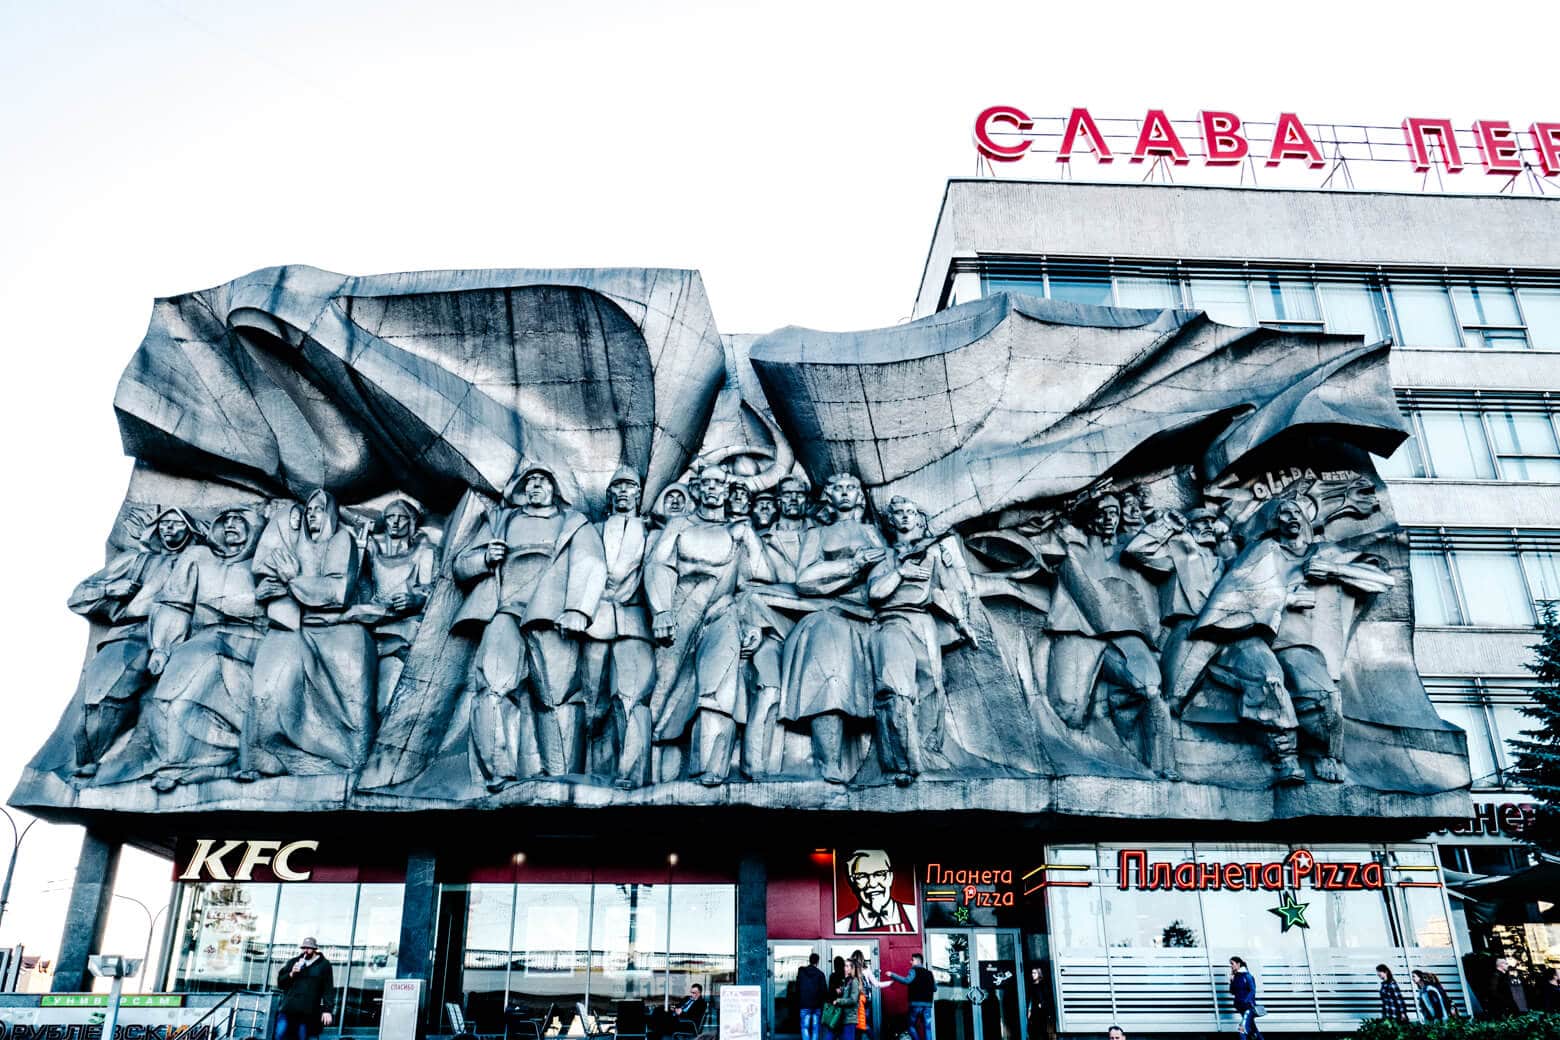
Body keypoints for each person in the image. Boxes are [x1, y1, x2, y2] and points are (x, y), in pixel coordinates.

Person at [451, 461, 607, 785]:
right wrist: (483, 558)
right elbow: (461, 566)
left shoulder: (574, 523)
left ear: (555, 487)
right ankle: (497, 774)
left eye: (543, 480)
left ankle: (563, 778)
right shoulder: (501, 520)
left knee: (558, 698)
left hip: (550, 616)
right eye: (530, 481)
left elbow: (591, 564)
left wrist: (578, 609)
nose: (536, 486)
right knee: (491, 685)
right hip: (504, 612)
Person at [835, 850, 919, 933]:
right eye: (862, 876)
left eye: (879, 874)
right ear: (853, 882)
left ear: (890, 877)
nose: (872, 884)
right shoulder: (842, 927)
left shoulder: (915, 915)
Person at [275, 937, 334, 1040]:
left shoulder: (324, 965)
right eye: (304, 948)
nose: (305, 950)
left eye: (309, 948)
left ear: (315, 949)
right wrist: (291, 974)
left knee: (301, 1037)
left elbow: (328, 989)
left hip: (307, 1011)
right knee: (280, 1035)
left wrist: (327, 1010)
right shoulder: (293, 962)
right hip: (288, 1008)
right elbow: (280, 983)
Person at [887, 953, 933, 1040]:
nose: (910, 961)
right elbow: (934, 988)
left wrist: (892, 975)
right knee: (927, 1027)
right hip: (928, 1005)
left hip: (916, 1003)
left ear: (917, 961)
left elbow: (907, 981)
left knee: (910, 1025)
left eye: (912, 960)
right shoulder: (929, 973)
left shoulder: (913, 970)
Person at [1228, 957, 1262, 1040]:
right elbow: (1232, 992)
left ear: (1238, 964)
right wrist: (1232, 981)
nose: (1231, 966)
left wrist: (1245, 1001)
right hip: (1241, 1007)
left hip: (1248, 1007)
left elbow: (1252, 990)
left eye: (1232, 964)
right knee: (1253, 1028)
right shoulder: (1236, 976)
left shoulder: (1247, 976)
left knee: (1242, 1028)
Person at [798, 952, 828, 1040]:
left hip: (804, 1005)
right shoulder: (820, 974)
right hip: (816, 1006)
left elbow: (797, 988)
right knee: (815, 1028)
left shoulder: (802, 973)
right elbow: (824, 991)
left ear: (809, 960)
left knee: (805, 1027)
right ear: (817, 962)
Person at [832, 961, 862, 1040]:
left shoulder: (854, 981)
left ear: (852, 969)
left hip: (850, 1018)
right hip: (844, 1017)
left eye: (847, 966)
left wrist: (839, 1001)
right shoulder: (847, 981)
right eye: (845, 966)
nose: (844, 968)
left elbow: (853, 1000)